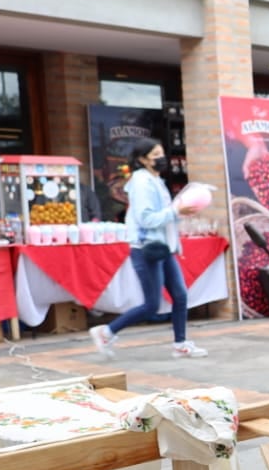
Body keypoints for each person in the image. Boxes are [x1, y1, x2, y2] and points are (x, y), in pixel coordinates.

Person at [88, 138, 208, 360]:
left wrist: (180, 212)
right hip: (147, 249)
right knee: (152, 304)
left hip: (164, 247)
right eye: (155, 155)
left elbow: (165, 214)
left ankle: (180, 343)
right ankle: (107, 331)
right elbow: (146, 218)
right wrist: (176, 211)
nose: (161, 158)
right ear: (143, 159)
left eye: (161, 153)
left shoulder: (156, 180)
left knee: (180, 295)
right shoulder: (142, 182)